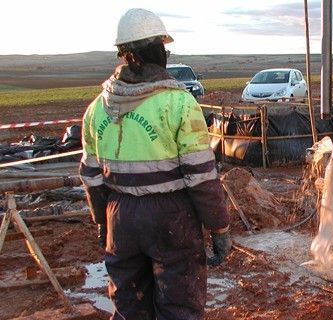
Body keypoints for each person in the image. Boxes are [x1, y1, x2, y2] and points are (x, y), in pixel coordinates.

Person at [79, 8, 231, 320]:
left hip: (119, 218)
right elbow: (201, 176)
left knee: (129, 306)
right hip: (171, 218)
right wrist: (219, 226)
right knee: (179, 307)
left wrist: (101, 222)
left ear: (124, 54)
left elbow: (92, 177)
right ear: (158, 50)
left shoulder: (97, 110)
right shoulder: (178, 103)